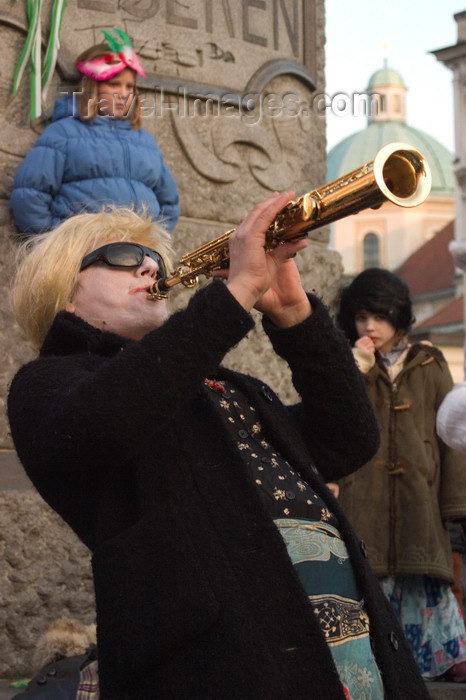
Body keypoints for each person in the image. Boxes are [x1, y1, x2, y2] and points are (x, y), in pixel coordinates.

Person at [7, 199, 430, 700]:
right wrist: (236, 293)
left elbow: (348, 439)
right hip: (223, 669)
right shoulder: (47, 383)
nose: (150, 267)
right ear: (64, 284)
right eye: (122, 256)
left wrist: (297, 317)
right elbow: (105, 420)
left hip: (350, 655)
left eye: (157, 260)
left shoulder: (226, 387)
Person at [336, 267, 466, 683]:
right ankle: (374, 663)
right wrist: (352, 372)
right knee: (368, 581)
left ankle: (443, 656)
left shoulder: (430, 362)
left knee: (425, 575)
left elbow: (452, 432)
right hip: (363, 495)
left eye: (380, 314)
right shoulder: (347, 362)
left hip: (419, 494)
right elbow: (327, 420)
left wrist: (456, 504)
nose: (370, 325)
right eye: (361, 316)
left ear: (400, 316)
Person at [10, 29, 180, 236]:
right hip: (83, 255)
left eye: (130, 86)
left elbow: (169, 205)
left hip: (136, 256)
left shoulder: (145, 142)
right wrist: (60, 242)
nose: (123, 94)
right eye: (113, 84)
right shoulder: (64, 133)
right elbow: (29, 196)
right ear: (90, 86)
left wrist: (151, 242)